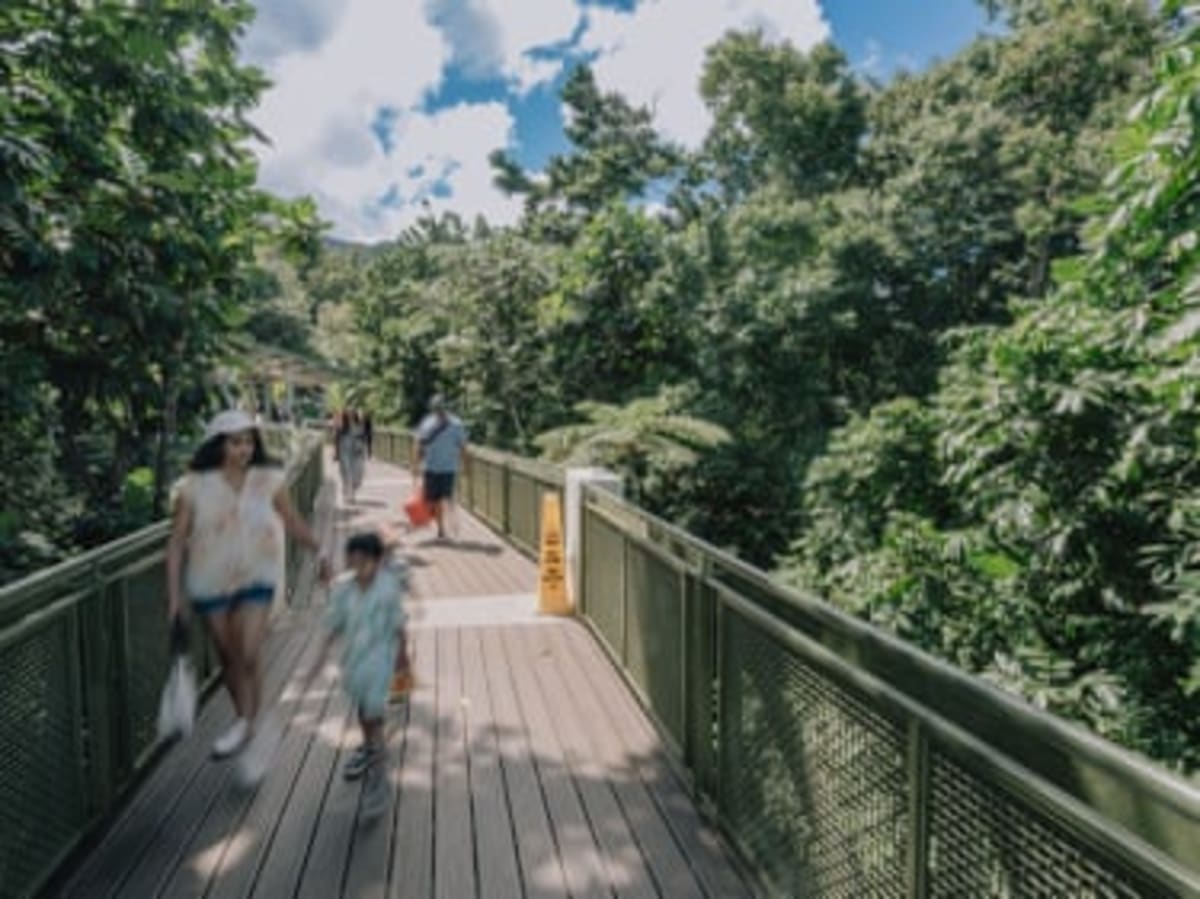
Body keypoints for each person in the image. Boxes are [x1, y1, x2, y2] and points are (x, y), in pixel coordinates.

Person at [166, 409, 330, 764]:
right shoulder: (192, 487)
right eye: (235, 443)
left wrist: (322, 551)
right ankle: (246, 720)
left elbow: (293, 521)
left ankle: (251, 721)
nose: (243, 450)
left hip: (257, 576)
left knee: (250, 651)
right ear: (218, 444)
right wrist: (174, 597)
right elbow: (177, 541)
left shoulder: (269, 478)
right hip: (209, 582)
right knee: (228, 656)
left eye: (248, 442)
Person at [312, 531, 407, 818]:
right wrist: (321, 656)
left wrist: (404, 658)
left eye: (363, 561)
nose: (358, 567)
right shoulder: (344, 590)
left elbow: (398, 624)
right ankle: (371, 748)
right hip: (354, 664)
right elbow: (334, 623)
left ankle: (378, 773)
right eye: (352, 561)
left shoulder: (388, 589)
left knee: (372, 715)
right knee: (365, 715)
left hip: (380, 661)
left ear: (377, 562)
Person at [411, 394, 467, 540]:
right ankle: (441, 528)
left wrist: (465, 464)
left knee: (446, 498)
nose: (438, 410)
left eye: (440, 407)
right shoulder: (427, 423)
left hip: (449, 468)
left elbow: (462, 446)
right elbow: (419, 444)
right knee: (434, 501)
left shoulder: (456, 424)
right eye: (436, 407)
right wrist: (416, 464)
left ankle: (449, 525)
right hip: (431, 467)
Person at [337, 410, 368, 504]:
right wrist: (336, 452)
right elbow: (336, 438)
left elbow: (364, 436)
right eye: (348, 412)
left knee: (357, 474)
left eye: (352, 412)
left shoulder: (360, 424)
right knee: (346, 473)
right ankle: (349, 495)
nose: (350, 413)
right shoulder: (342, 425)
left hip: (357, 452)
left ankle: (351, 491)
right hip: (345, 451)